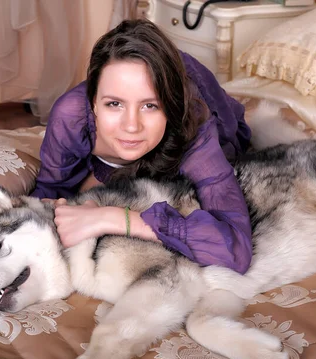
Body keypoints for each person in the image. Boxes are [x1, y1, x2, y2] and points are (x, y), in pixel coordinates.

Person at [31, 19, 253, 274]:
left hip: (198, 98)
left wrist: (111, 217)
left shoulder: (193, 124)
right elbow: (49, 192)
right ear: (92, 102)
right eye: (114, 104)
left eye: (150, 105)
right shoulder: (69, 115)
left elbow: (236, 250)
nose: (131, 125)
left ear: (170, 108)